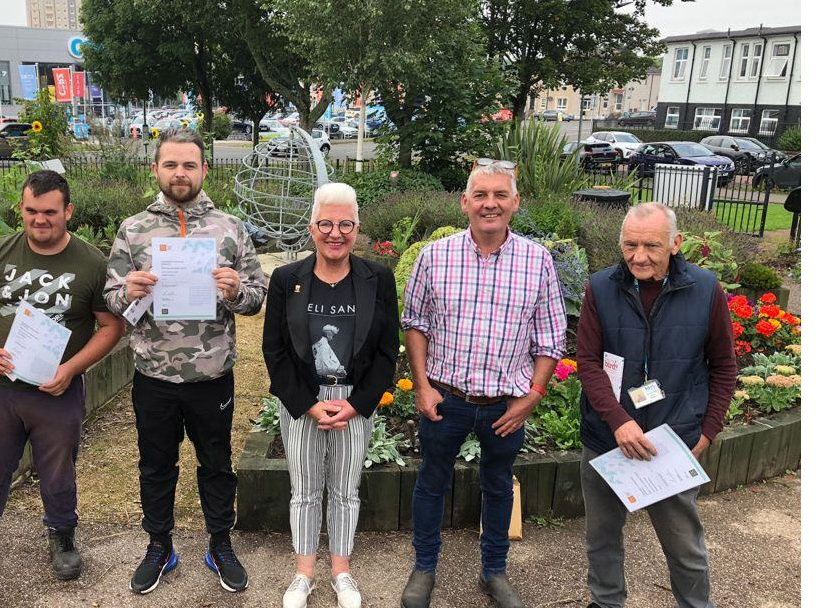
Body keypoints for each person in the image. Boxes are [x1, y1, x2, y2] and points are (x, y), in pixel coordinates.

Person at [104, 128, 267, 595]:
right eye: (171, 164)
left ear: (203, 170)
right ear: (156, 168)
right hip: (153, 374)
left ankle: (219, 542)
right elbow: (112, 296)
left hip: (211, 374)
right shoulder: (134, 229)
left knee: (216, 463)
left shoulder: (230, 229)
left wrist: (236, 291)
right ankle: (160, 545)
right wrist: (127, 291)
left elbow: (257, 297)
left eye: (189, 165)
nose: (180, 173)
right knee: (156, 465)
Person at [398, 160, 567, 608]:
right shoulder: (435, 257)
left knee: (497, 485)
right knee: (431, 482)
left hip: (505, 406)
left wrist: (532, 396)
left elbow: (551, 337)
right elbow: (414, 323)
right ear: (465, 202)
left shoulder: (538, 261)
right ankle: (424, 568)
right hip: (446, 399)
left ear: (515, 202)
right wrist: (421, 385)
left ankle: (494, 571)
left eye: (499, 195)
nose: (489, 203)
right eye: (480, 195)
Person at [0, 170, 125, 586]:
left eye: (49, 212)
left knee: (58, 470)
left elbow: (111, 327)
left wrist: (71, 369)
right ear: (22, 208)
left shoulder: (90, 263)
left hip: (57, 390)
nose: (39, 220)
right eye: (31, 211)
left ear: (67, 210)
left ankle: (62, 536)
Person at [575, 202, 737, 608]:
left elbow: (723, 365)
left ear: (676, 244)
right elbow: (589, 363)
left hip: (672, 440)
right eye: (630, 245)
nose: (639, 257)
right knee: (602, 538)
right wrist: (618, 421)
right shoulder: (600, 286)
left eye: (652, 246)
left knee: (685, 547)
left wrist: (708, 431)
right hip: (608, 438)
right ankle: (607, 601)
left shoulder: (706, 289)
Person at [262, 183, 400, 608]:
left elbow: (385, 351)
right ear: (312, 227)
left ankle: (342, 571)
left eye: (345, 224)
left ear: (357, 228)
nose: (334, 232)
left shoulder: (378, 279)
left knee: (345, 491)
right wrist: (305, 403)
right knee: (304, 491)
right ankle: (304, 574)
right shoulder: (287, 280)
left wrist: (358, 405)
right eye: (326, 223)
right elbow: (275, 350)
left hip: (354, 402)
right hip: (303, 402)